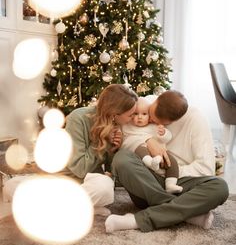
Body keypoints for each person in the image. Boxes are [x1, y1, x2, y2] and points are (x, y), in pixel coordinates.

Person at [105, 90, 229, 232]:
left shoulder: (196, 119)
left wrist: (168, 173)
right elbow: (124, 137)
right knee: (121, 159)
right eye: (150, 114)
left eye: (157, 121)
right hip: (146, 181)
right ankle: (185, 214)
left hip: (178, 182)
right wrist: (147, 140)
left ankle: (137, 220)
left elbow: (205, 169)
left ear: (172, 122)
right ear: (157, 100)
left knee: (220, 187)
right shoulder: (145, 104)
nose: (149, 120)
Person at [65, 84, 138, 216]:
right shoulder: (78, 118)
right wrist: (102, 140)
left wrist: (115, 149)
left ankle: (79, 206)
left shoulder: (116, 125)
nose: (134, 118)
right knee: (15, 186)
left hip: (90, 183)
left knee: (105, 188)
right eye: (131, 115)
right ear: (114, 114)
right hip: (66, 179)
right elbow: (80, 169)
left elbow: (110, 174)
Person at [121, 97, 183, 193]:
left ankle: (171, 184)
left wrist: (163, 133)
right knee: (140, 148)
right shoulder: (128, 127)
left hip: (159, 154)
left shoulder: (154, 127)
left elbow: (167, 138)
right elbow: (126, 142)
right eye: (136, 114)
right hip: (142, 154)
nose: (140, 117)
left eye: (144, 114)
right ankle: (150, 162)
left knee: (172, 162)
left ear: (150, 116)